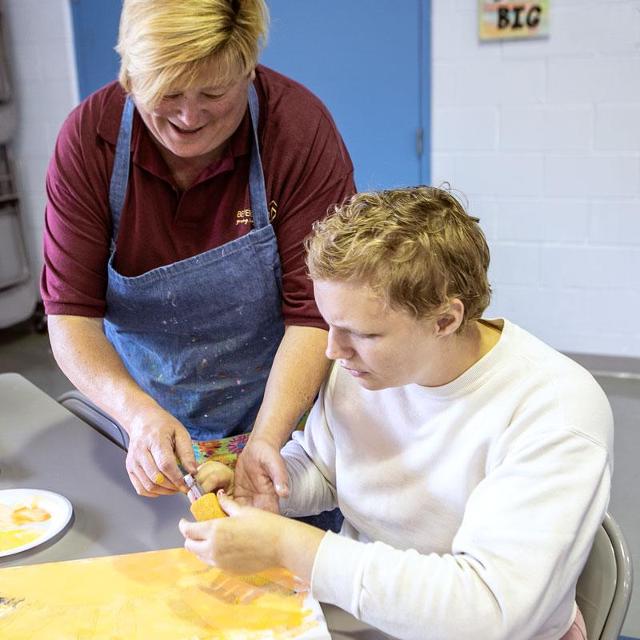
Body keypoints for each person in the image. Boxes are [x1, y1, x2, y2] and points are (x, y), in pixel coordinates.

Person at [179, 186, 613, 640]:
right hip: (367, 617)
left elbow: (490, 611)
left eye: (361, 333)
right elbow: (329, 469)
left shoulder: (553, 410)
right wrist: (272, 488)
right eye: (329, 324)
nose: (332, 350)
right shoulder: (363, 368)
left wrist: (291, 546)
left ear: (444, 320)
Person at [41, 0, 354, 504]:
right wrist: (137, 413)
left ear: (248, 71)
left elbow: (313, 314)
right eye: (168, 93)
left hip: (285, 424)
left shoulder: (296, 130)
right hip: (148, 423)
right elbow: (70, 316)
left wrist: (266, 440)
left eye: (215, 92)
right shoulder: (89, 140)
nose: (190, 116)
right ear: (129, 78)